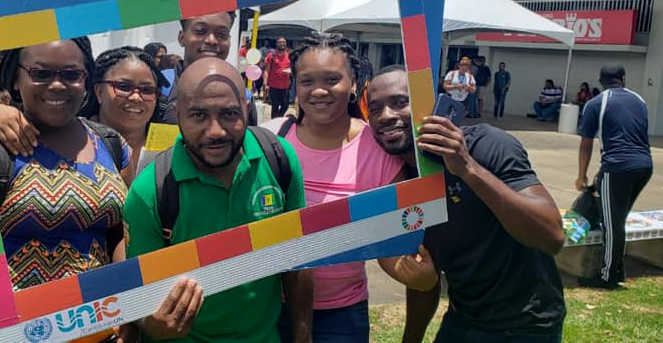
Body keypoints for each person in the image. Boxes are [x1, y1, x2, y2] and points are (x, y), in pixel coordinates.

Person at [0, 38, 134, 342]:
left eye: (71, 74)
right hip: (6, 332)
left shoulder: (111, 145)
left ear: (86, 79)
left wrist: (127, 309)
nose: (57, 85)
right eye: (40, 73)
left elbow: (119, 234)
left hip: (95, 329)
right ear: (15, 77)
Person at [366, 65, 567, 342]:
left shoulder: (487, 145)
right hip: (462, 319)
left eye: (400, 102)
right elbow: (425, 273)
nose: (386, 116)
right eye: (375, 109)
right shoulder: (401, 182)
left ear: (429, 103)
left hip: (526, 324)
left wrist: (467, 168)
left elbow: (552, 236)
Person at [124, 58, 312, 342]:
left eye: (229, 114)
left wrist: (302, 335)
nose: (216, 132)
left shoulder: (278, 159)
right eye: (198, 115)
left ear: (247, 111)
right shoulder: (151, 191)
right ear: (177, 114)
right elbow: (138, 295)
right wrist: (152, 324)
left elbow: (297, 258)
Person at [261, 33, 411, 342]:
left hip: (342, 314)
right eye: (306, 81)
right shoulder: (269, 141)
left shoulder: (379, 151)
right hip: (269, 306)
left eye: (332, 79)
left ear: (354, 83)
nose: (318, 91)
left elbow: (392, 243)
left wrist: (412, 272)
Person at [0, 46, 167, 181]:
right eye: (123, 87)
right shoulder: (15, 133)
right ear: (98, 91)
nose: (136, 97)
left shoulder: (172, 147)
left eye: (147, 90)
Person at [575, 65, 653, 289]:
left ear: (600, 81)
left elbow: (586, 143)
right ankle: (617, 268)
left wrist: (582, 176)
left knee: (611, 224)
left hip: (617, 167)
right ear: (623, 79)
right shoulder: (639, 100)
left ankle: (608, 276)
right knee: (616, 219)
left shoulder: (596, 103)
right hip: (645, 166)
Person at [162, 12, 257, 125]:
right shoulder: (159, 85)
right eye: (200, 31)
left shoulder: (242, 95)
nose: (211, 40)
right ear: (182, 37)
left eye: (222, 34)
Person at [263, 37, 292, 119]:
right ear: (276, 44)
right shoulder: (271, 56)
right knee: (275, 106)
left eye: (284, 42)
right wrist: (265, 84)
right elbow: (267, 71)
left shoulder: (289, 55)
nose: (282, 44)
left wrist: (290, 71)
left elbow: (294, 68)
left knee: (285, 105)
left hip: (285, 86)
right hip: (274, 86)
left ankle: (277, 118)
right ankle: (274, 122)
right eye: (280, 42)